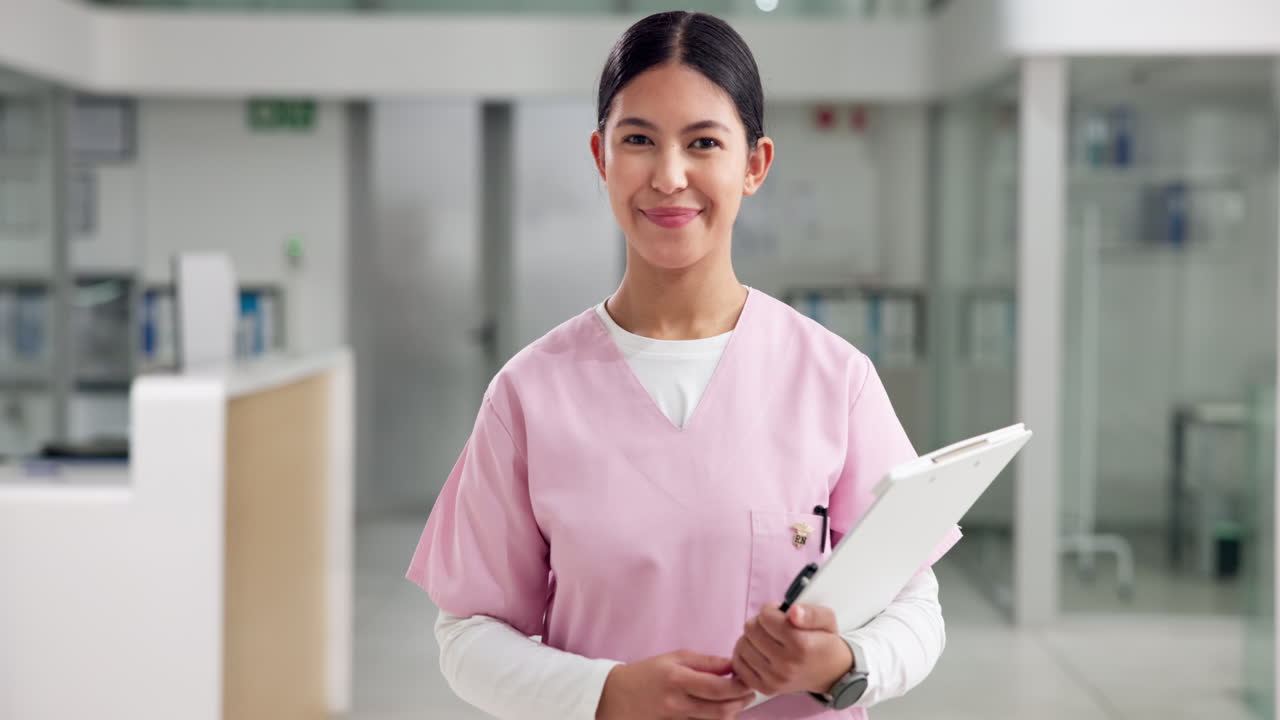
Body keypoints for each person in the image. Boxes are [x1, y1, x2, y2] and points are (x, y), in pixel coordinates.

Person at [406, 10, 960, 719]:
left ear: (754, 164)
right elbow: (469, 633)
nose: (669, 177)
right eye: (638, 140)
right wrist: (605, 693)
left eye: (703, 142)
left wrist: (846, 664)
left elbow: (917, 603)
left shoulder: (834, 380)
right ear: (602, 157)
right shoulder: (528, 396)